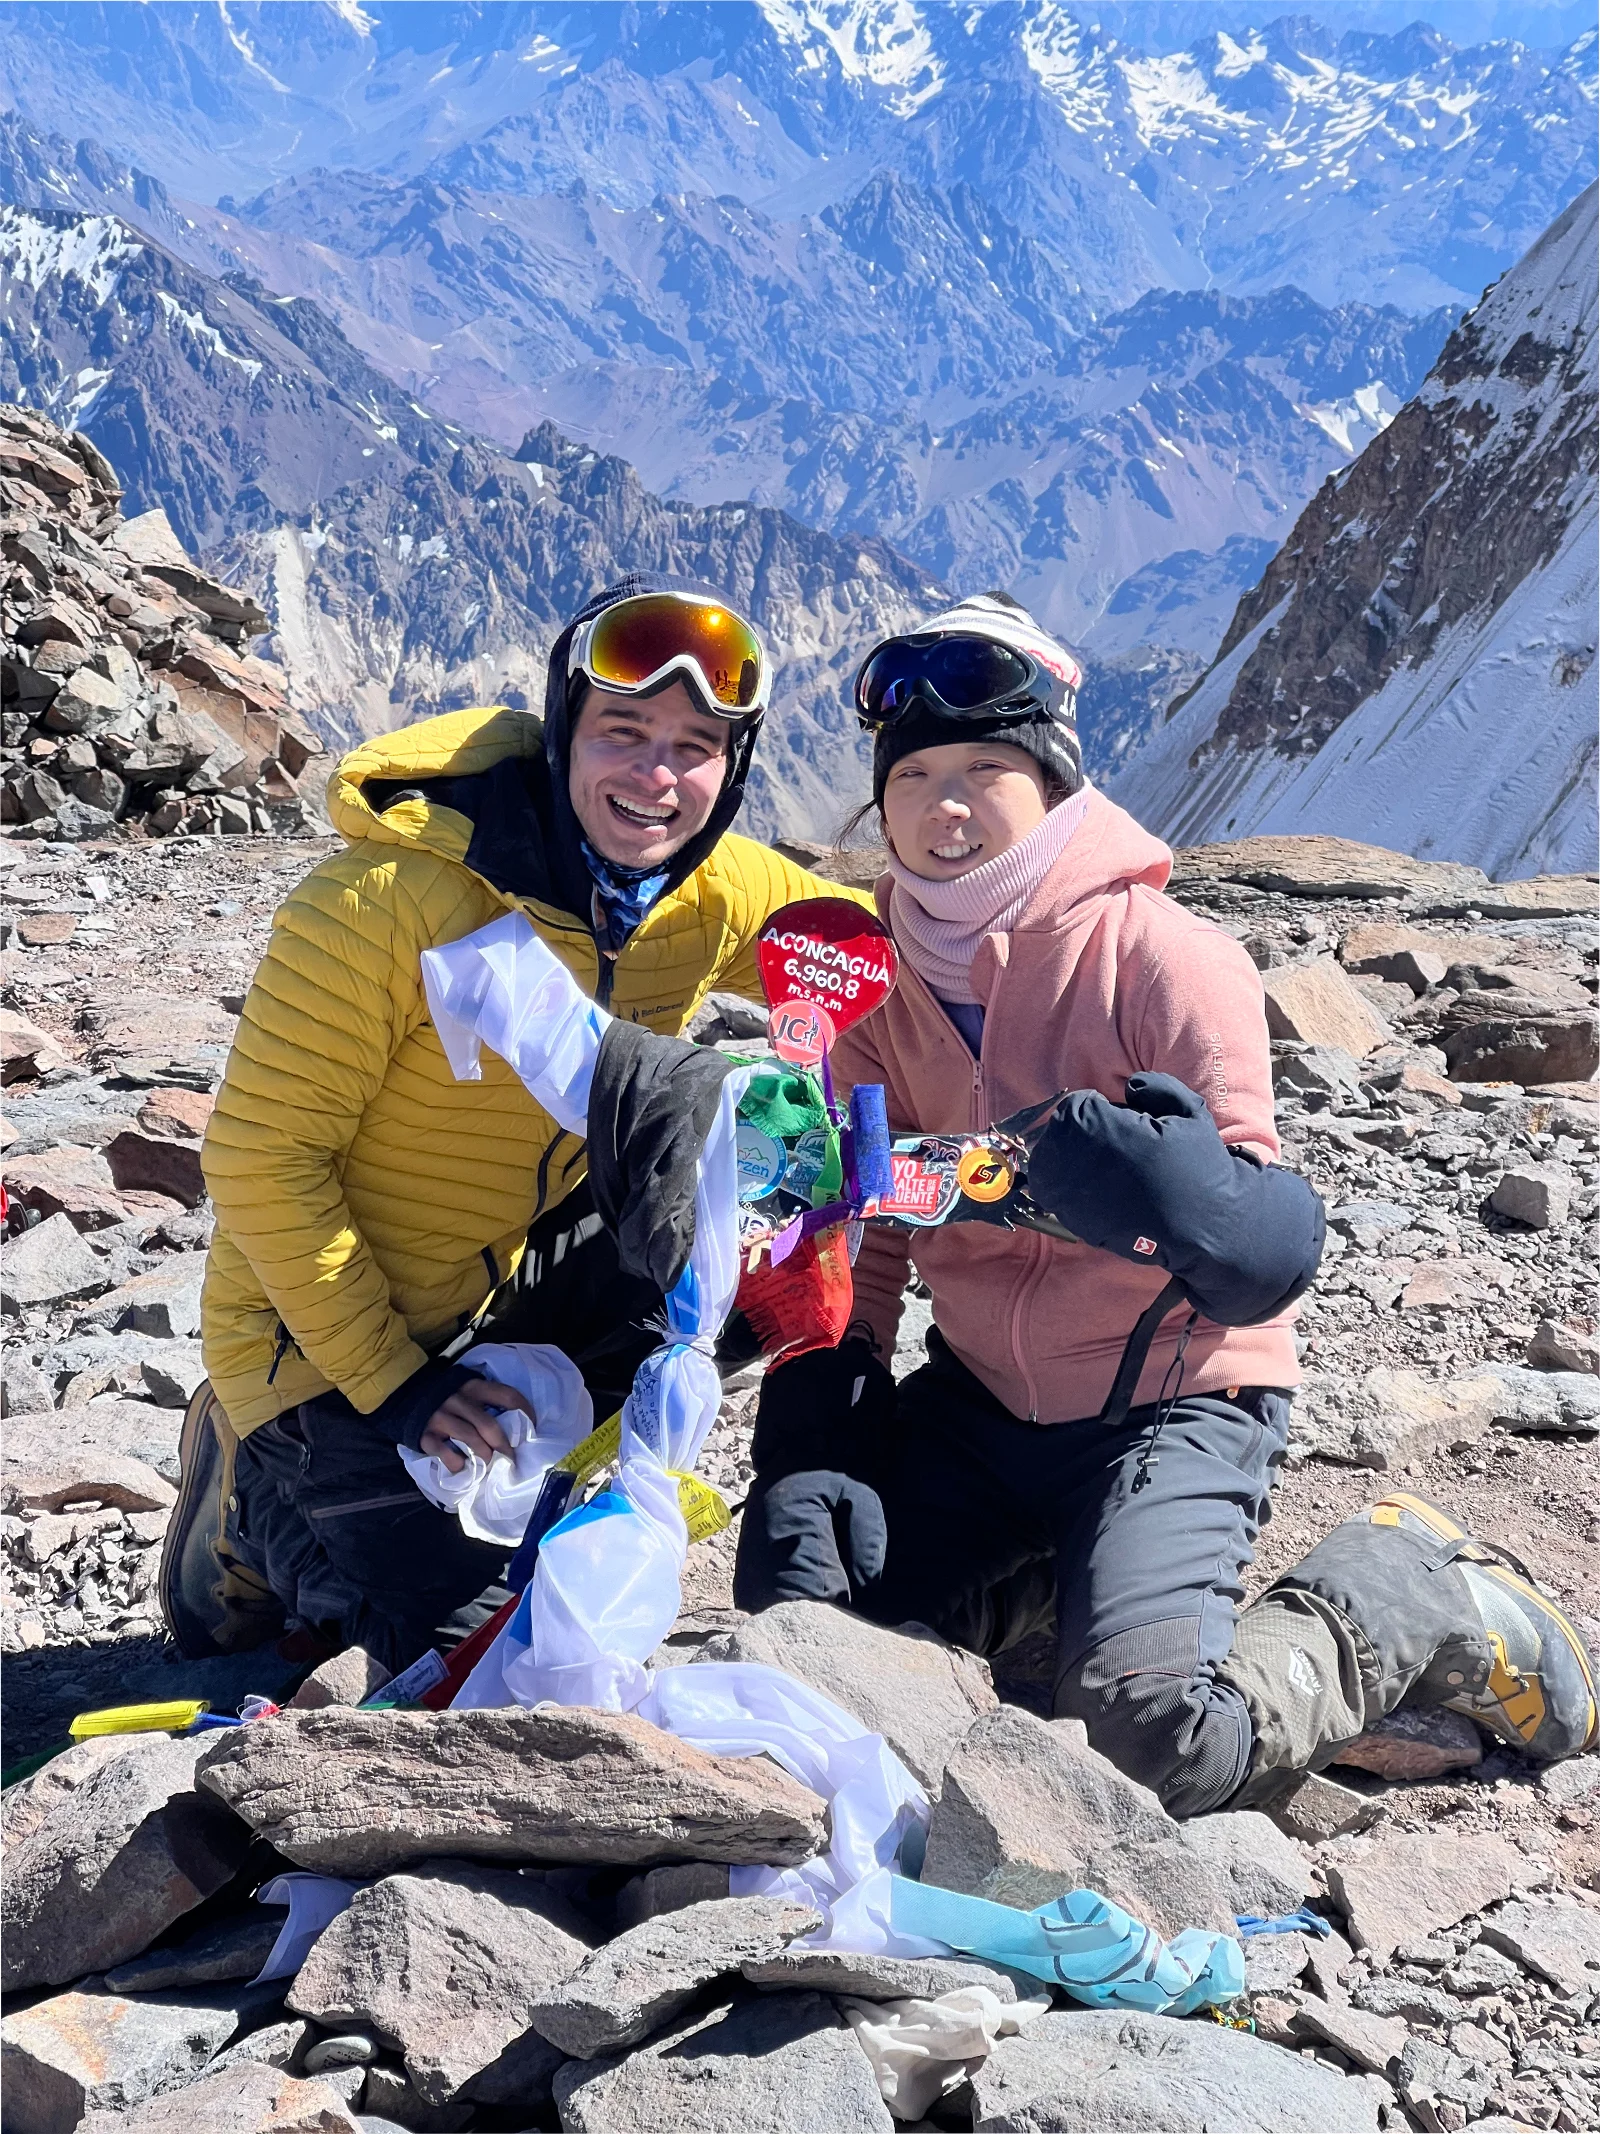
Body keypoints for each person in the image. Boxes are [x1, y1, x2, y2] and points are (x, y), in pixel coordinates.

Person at [735, 592, 1597, 1812]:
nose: (943, 806)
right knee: (809, 1641)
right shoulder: (864, 974)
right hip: (984, 1399)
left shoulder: (1162, 954)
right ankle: (1060, 1585)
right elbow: (857, 1218)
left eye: (985, 770)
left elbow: (1253, 1249)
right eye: (915, 774)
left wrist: (1183, 1198)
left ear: (1051, 781)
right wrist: (824, 1404)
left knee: (1149, 1741)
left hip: (1174, 1398)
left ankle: (1410, 1592)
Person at [161, 576, 865, 1671]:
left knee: (743, 1233)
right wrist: (397, 1385)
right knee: (466, 1649)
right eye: (623, 732)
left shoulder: (704, 887)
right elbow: (257, 1156)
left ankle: (501, 1458)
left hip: (500, 1283)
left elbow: (867, 951)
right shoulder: (389, 899)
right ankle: (257, 1498)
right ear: (561, 733)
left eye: (695, 746)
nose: (657, 777)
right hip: (318, 1342)